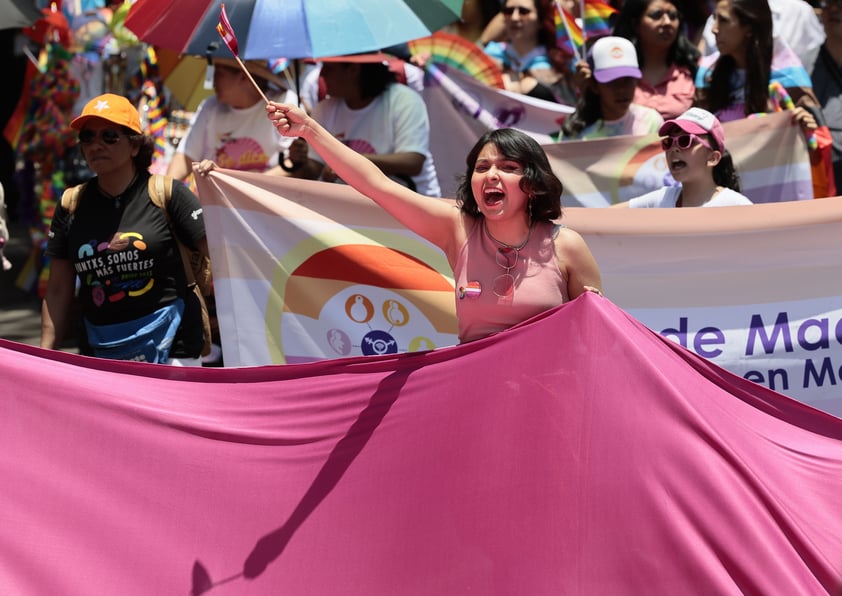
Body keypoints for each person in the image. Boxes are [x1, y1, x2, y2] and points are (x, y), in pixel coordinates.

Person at [266, 102, 603, 344]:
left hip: (547, 393)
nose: (492, 175)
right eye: (482, 167)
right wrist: (309, 129)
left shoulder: (566, 246)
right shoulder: (457, 228)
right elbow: (377, 185)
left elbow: (598, 340)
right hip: (478, 394)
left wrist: (594, 313)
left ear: (533, 183)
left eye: (508, 167)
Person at [41, 94, 208, 365]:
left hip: (174, 351)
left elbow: (223, 257)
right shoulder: (71, 205)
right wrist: (44, 357)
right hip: (101, 354)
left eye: (109, 136)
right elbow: (59, 289)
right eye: (87, 137)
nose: (96, 145)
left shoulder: (168, 194)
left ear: (134, 146)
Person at [279, 54, 441, 197]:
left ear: (353, 70)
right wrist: (301, 162)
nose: (321, 75)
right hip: (353, 208)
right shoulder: (325, 108)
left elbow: (412, 162)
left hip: (412, 207)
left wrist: (349, 162)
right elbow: (315, 169)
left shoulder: (405, 100)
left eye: (328, 68)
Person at [694, 0, 819, 132]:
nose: (714, 29)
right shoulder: (708, 74)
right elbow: (695, 132)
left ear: (749, 27)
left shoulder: (788, 77)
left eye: (724, 20)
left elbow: (816, 138)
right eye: (714, 18)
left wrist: (806, 127)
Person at [166, 58, 299, 182]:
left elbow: (297, 163)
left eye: (219, 73)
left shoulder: (282, 104)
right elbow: (186, 156)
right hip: (217, 202)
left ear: (243, 77)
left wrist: (243, 187)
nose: (212, 81)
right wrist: (164, 191)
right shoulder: (210, 106)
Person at [614, 107, 753, 207]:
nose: (674, 148)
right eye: (669, 142)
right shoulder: (662, 199)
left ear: (713, 158)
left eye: (686, 141)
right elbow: (604, 217)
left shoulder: (737, 205)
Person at [560, 36, 664, 139]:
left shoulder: (652, 122)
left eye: (628, 79)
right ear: (594, 85)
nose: (622, 89)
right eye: (612, 82)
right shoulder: (574, 130)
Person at [611, 0, 701, 119]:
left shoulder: (694, 68)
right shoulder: (615, 72)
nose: (667, 22)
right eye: (656, 15)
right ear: (635, 24)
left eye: (673, 16)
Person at [482, 0, 579, 105]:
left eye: (524, 12)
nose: (514, 18)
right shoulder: (490, 55)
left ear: (540, 20)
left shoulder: (560, 61)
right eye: (508, 11)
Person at [811, 0, 842, 191]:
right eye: (827, 2)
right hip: (822, 181)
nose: (833, 8)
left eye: (840, 3)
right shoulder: (800, 66)